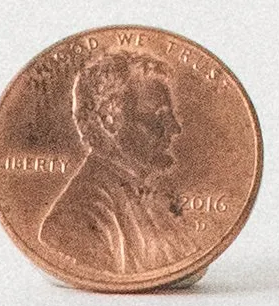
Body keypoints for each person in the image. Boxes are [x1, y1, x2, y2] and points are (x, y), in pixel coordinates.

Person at [43, 50, 187, 279]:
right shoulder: (78, 217)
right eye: (158, 116)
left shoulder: (155, 199)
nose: (175, 128)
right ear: (108, 120)